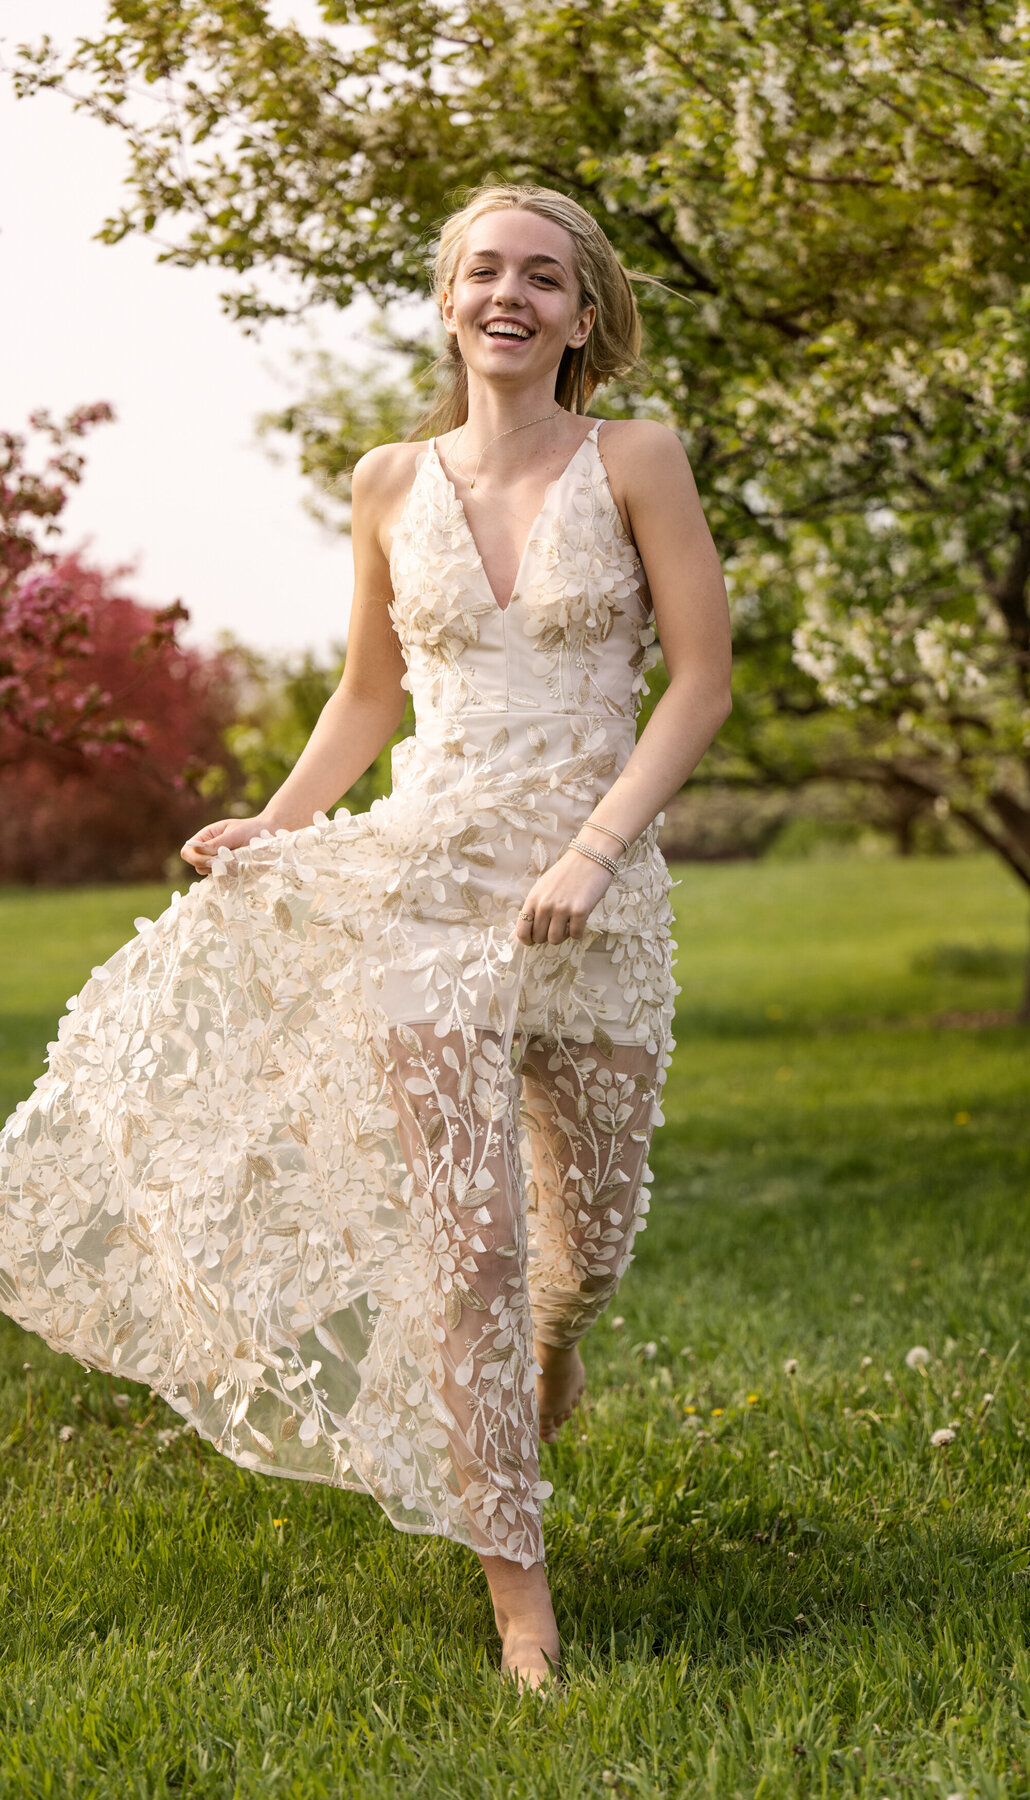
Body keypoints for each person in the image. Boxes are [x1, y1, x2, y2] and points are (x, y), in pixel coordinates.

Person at [0, 183, 732, 1691]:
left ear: (583, 316)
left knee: (576, 1256)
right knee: (465, 1249)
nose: (510, 294)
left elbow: (701, 686)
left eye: (544, 276)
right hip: (425, 887)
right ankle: (523, 1613)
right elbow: (368, 698)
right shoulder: (389, 481)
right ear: (450, 300)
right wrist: (277, 823)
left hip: (593, 891)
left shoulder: (640, 461)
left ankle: (556, 1338)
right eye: (484, 271)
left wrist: (599, 851)